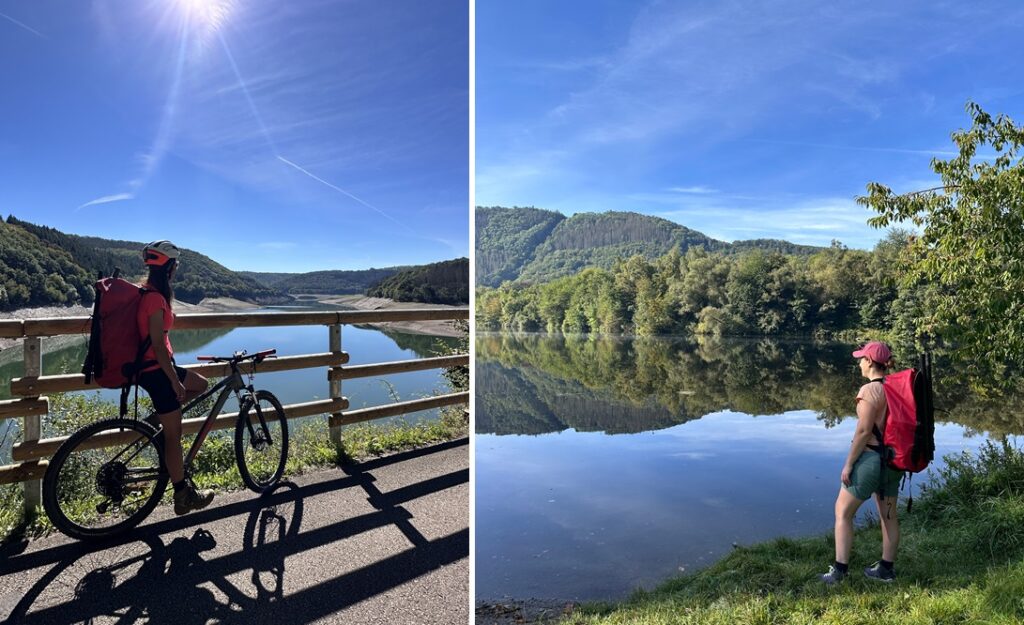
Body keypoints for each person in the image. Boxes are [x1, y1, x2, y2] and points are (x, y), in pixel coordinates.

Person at [136, 240, 215, 515]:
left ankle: (156, 422)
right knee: (174, 436)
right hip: (156, 370)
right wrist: (173, 380)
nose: (176, 269)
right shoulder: (155, 299)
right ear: (169, 267)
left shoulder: (149, 293)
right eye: (176, 265)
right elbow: (157, 345)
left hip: (154, 367)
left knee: (201, 385)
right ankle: (183, 496)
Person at [819, 340, 905, 584]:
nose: (858, 363)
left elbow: (864, 431)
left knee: (842, 512)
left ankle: (839, 572)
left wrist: (849, 464)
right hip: (894, 461)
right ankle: (886, 570)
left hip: (870, 459)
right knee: (888, 515)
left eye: (861, 359)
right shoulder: (896, 387)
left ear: (869, 361)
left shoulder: (869, 391)